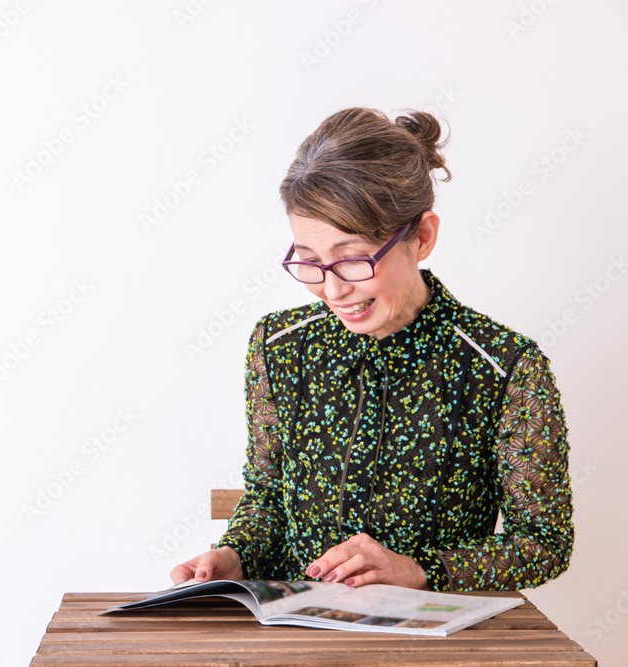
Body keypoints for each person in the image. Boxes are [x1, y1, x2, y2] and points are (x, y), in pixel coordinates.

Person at [170, 107, 574, 592]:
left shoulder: (503, 366)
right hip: (296, 626)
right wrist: (235, 555)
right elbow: (269, 501)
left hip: (434, 632)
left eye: (352, 260)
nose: (333, 290)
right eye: (309, 261)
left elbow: (544, 543)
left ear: (422, 237)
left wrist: (420, 570)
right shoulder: (278, 346)